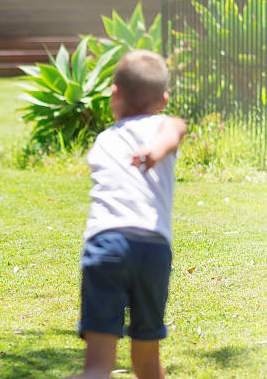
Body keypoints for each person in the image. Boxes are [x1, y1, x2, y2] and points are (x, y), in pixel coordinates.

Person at [78, 50, 187, 379]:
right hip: (153, 249)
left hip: (106, 244)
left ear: (115, 93)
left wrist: (153, 151)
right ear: (164, 100)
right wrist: (156, 151)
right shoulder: (164, 126)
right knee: (147, 361)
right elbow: (175, 129)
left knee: (98, 366)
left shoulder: (103, 141)